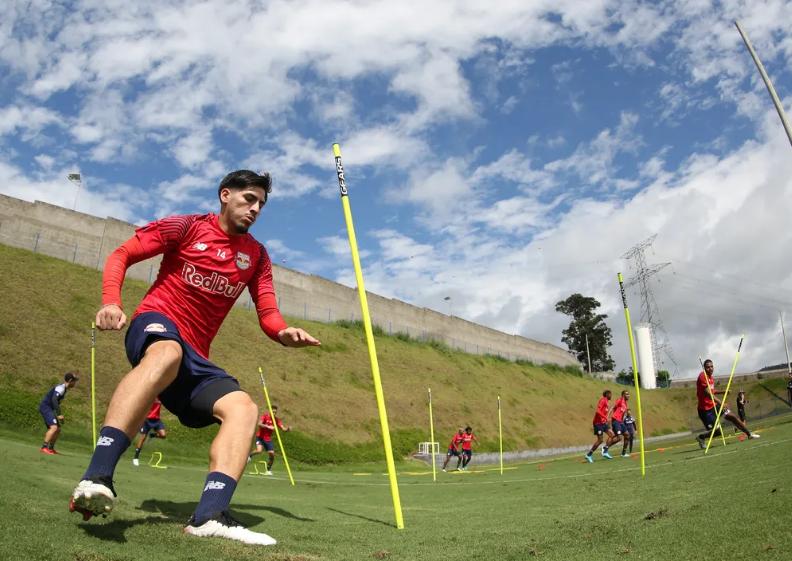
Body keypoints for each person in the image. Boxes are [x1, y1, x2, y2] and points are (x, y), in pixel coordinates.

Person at [68, 170, 320, 547]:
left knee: (244, 408)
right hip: (156, 325)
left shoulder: (257, 256)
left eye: (261, 205)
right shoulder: (186, 227)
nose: (255, 209)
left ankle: (209, 515)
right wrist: (110, 301)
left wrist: (283, 333)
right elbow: (123, 253)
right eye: (249, 199)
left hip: (197, 357)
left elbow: (268, 312)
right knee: (167, 351)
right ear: (225, 195)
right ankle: (97, 476)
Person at [695, 359, 759, 449]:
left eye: (711, 366)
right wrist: (721, 403)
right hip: (705, 410)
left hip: (714, 405)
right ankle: (701, 437)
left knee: (732, 416)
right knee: (717, 432)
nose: (710, 368)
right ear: (704, 368)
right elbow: (708, 393)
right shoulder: (702, 377)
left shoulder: (711, 378)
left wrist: (723, 392)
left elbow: (712, 391)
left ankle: (749, 434)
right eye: (708, 367)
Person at [39, 372, 79, 454]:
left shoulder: (64, 389)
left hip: (49, 408)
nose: (75, 383)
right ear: (70, 380)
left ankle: (51, 448)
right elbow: (54, 400)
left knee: (58, 429)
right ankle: (44, 447)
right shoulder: (60, 388)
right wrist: (59, 414)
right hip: (46, 407)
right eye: (74, 381)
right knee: (54, 427)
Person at [248, 405, 289, 475]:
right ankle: (249, 456)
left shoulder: (276, 420)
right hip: (260, 437)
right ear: (270, 411)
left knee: (272, 455)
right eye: (273, 412)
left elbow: (283, 428)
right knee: (259, 450)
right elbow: (259, 424)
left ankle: (268, 470)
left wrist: (287, 429)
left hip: (267, 439)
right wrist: (268, 426)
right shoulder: (265, 416)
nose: (274, 413)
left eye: (275, 412)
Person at [132, 398, 167, 466]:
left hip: (157, 420)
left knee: (163, 435)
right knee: (142, 438)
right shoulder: (150, 396)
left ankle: (152, 435)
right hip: (147, 420)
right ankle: (136, 458)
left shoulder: (161, 397)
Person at [585, 390, 614, 463]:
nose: (611, 396)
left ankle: (605, 450)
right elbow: (598, 411)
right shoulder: (603, 400)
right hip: (598, 423)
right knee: (600, 440)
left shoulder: (607, 402)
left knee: (612, 435)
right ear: (607, 394)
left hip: (603, 423)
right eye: (610, 394)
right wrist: (605, 417)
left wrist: (605, 419)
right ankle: (589, 455)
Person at [608, 390, 629, 457]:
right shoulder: (620, 400)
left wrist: (623, 420)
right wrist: (607, 417)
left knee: (627, 435)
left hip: (620, 422)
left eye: (628, 394)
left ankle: (623, 453)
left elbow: (623, 413)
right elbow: (613, 407)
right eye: (627, 394)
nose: (628, 395)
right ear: (623, 395)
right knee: (619, 438)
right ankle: (605, 447)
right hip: (616, 420)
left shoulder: (625, 404)